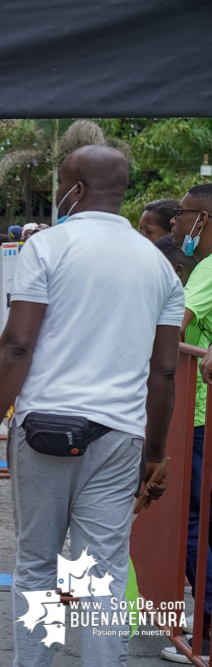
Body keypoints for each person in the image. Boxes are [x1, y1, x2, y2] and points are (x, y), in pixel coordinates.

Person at [0, 145, 182, 665]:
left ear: (76, 190)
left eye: (60, 184)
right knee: (104, 572)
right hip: (119, 436)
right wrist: (152, 453)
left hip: (44, 429)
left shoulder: (48, 247)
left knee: (37, 565)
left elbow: (18, 345)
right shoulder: (158, 266)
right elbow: (165, 370)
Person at [171, 185, 212, 659]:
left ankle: (204, 627)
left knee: (193, 522)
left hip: (200, 417)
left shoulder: (206, 269)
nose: (177, 223)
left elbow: (175, 326)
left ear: (201, 220)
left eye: (182, 215)